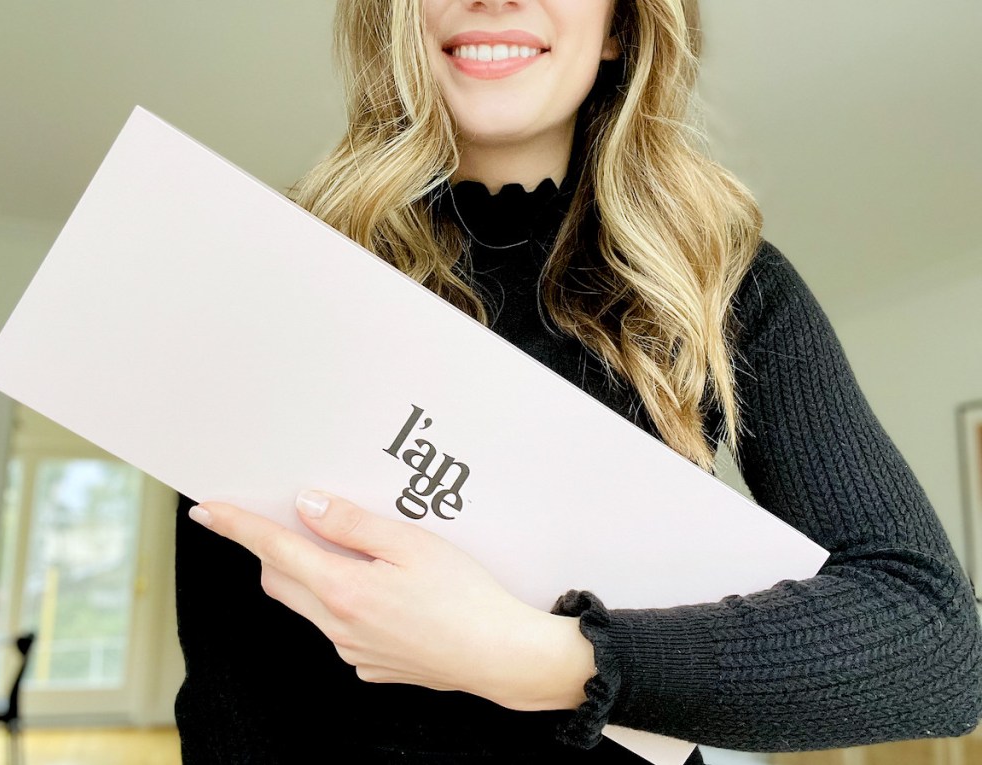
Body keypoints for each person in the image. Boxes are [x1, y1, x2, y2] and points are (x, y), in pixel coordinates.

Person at [173, 1, 982, 762]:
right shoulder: (267, 269)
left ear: (619, 26)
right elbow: (222, 691)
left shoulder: (718, 284)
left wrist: (534, 657)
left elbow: (937, 647)